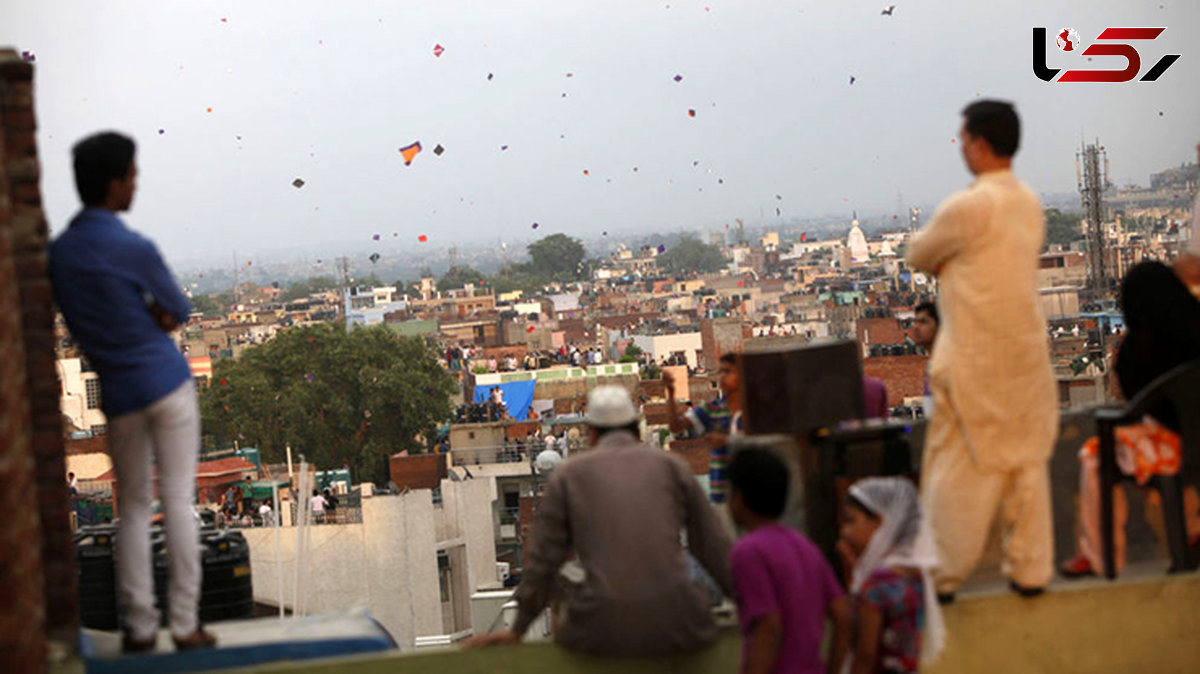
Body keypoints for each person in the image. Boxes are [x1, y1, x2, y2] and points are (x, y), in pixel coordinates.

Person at [50, 132, 214, 652]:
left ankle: (140, 628)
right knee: (178, 502)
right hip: (165, 384)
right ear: (114, 183)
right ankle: (185, 623)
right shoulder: (133, 247)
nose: (136, 183)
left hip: (118, 394)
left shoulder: (62, 255)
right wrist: (148, 316)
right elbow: (179, 310)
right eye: (132, 175)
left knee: (135, 510)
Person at [906, 100, 1058, 601]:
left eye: (965, 139)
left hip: (974, 354)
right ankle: (1032, 570)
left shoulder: (970, 206)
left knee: (959, 470)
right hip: (1026, 353)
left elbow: (919, 255)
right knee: (1026, 464)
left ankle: (944, 576)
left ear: (980, 144)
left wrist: (949, 265)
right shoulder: (1028, 202)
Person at [464, 386, 733, 655]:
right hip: (679, 624)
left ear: (591, 434)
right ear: (637, 431)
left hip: (603, 630)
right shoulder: (672, 467)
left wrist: (518, 629)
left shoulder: (569, 475)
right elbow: (711, 544)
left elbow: (545, 559)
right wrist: (747, 602)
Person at [1061, 261, 1200, 577]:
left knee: (1097, 458)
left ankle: (1098, 556)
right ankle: (1192, 532)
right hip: (1194, 445)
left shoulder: (1137, 348)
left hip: (1171, 449)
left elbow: (1135, 405)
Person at [727, 449, 851, 674]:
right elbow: (843, 616)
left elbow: (768, 627)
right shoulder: (806, 547)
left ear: (739, 497)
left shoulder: (747, 552)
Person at [838, 478, 945, 673]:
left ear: (879, 522)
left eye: (850, 520)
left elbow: (866, 654)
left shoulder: (876, 586)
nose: (844, 532)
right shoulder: (914, 573)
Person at [666, 352, 743, 504]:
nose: (722, 377)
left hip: (750, 495)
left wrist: (728, 440)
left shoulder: (754, 409)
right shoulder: (712, 408)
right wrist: (670, 394)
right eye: (720, 372)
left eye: (728, 371)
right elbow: (676, 427)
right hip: (722, 495)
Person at [911, 302, 940, 417]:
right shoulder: (932, 366)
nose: (916, 327)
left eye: (923, 322)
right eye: (915, 322)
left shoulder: (950, 366)